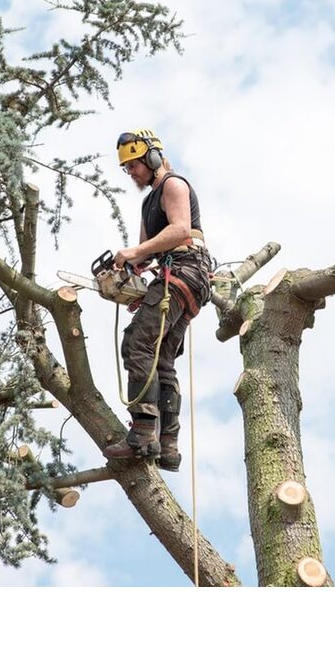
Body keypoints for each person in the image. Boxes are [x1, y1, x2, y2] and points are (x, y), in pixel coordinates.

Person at [103, 129, 212, 471]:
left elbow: (180, 230)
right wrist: (129, 272)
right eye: (126, 168)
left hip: (185, 270)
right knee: (161, 358)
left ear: (151, 158)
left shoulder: (174, 185)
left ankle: (142, 434)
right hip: (176, 277)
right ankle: (168, 446)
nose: (131, 172)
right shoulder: (148, 203)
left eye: (134, 165)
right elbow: (145, 254)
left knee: (137, 342)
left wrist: (134, 252)